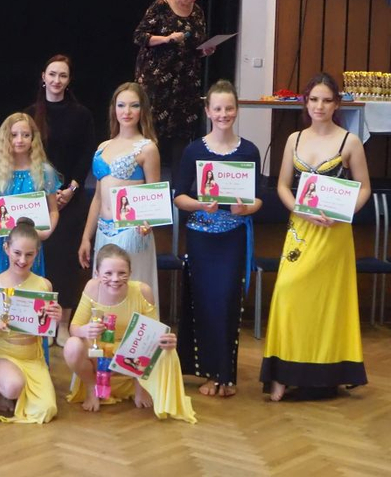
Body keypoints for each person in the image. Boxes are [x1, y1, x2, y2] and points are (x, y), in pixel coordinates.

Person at [260, 73, 370, 401]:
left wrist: (344, 212)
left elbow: (364, 187)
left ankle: (326, 373)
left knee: (327, 303)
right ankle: (281, 373)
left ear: (336, 104)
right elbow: (282, 185)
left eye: (326, 100)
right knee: (287, 292)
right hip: (301, 228)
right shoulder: (294, 139)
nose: (319, 106)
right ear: (305, 103)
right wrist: (300, 209)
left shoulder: (349, 141)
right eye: (313, 99)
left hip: (334, 232)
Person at [173, 80, 262, 398]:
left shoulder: (249, 150)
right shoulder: (194, 150)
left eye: (229, 108)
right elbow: (179, 196)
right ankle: (210, 373)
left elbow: (259, 199)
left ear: (237, 110)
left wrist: (245, 208)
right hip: (201, 238)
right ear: (208, 111)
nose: (224, 114)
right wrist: (200, 205)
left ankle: (226, 375)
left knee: (227, 303)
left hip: (233, 239)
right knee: (205, 304)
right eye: (218, 108)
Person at [0, 112, 61, 378]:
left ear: (34, 139)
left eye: (25, 135)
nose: (19, 140)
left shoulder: (44, 171)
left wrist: (47, 231)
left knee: (27, 301)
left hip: (27, 250)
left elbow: (53, 210)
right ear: (5, 138)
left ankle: (30, 363)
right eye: (14, 135)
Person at [64, 244, 196, 423]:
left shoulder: (143, 291)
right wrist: (85, 330)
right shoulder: (91, 288)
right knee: (72, 345)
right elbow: (74, 328)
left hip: (132, 353)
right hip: (100, 353)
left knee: (166, 350)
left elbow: (152, 334)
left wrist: (167, 340)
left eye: (122, 273)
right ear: (97, 273)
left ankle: (139, 385)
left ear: (131, 272)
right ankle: (91, 387)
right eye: (108, 273)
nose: (115, 279)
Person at [26, 54, 95, 346]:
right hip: (38, 199)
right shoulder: (30, 114)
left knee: (66, 262)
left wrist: (71, 189)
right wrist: (44, 193)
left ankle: (63, 324)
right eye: (52, 74)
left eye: (62, 75)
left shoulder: (81, 115)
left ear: (69, 80)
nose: (56, 80)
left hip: (70, 199)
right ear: (43, 77)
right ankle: (42, 321)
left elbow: (86, 155)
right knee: (41, 260)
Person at [0, 218, 61, 423]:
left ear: (36, 253)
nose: (22, 260)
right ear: (6, 248)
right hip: (1, 354)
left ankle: (19, 390)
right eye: (17, 253)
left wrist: (55, 318)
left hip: (33, 358)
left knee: (47, 410)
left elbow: (44, 329)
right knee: (13, 386)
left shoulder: (44, 286)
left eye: (29, 254)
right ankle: (4, 390)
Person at [79, 82, 160, 296]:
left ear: (142, 110)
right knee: (104, 294)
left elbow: (155, 198)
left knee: (130, 291)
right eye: (121, 105)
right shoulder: (103, 147)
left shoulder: (147, 148)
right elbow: (98, 198)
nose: (127, 111)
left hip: (131, 231)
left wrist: (147, 224)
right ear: (114, 109)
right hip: (103, 231)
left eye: (134, 105)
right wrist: (86, 236)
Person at [133, 0, 214, 180]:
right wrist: (166, 38)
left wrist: (205, 50)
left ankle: (180, 189)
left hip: (186, 81)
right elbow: (139, 36)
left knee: (182, 135)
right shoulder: (161, 6)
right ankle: (149, 186)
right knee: (153, 132)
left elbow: (195, 46)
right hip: (157, 80)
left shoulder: (197, 12)